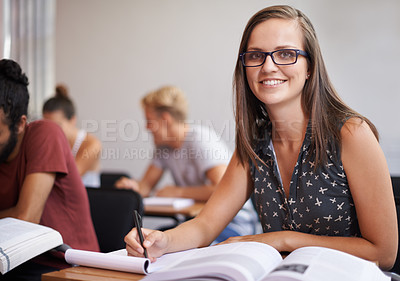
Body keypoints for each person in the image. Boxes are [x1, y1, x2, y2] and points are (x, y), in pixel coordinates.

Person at [124, 5, 398, 270]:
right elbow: (205, 225)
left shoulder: (351, 134)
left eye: (286, 53)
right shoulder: (255, 145)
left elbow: (383, 253)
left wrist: (282, 239)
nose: (268, 66)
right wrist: (162, 240)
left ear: (310, 67)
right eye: (256, 56)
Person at [115, 85, 259, 242]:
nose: (146, 127)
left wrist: (177, 192)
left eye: (149, 121)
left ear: (165, 119)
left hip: (233, 224)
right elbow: (146, 187)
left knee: (167, 248)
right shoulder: (163, 147)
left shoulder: (200, 140)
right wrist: (132, 187)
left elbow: (223, 189)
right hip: (195, 223)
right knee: (148, 241)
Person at [0, 59, 99, 280]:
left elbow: (24, 219)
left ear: (20, 124)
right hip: (17, 263)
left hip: (67, 267)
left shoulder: (46, 133)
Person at [42, 85, 102, 188]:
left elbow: (69, 179)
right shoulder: (49, 141)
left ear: (73, 120)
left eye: (58, 125)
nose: (51, 131)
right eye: (47, 126)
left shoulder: (92, 144)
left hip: (89, 200)